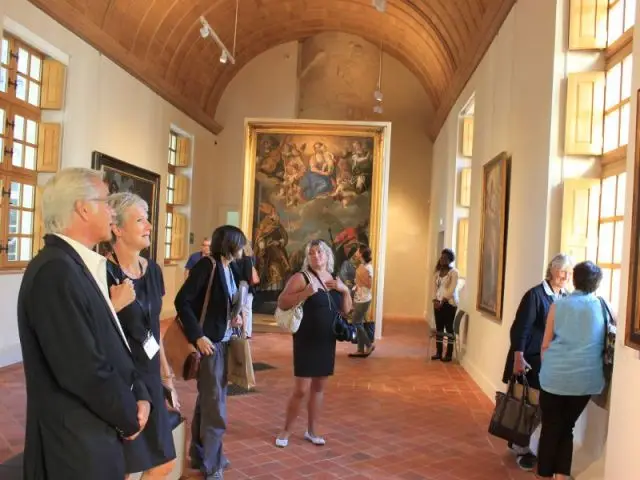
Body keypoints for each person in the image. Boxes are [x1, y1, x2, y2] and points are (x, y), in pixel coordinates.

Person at [17, 168, 151, 480]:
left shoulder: (75, 265)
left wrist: (139, 392)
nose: (111, 212)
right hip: (74, 448)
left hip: (93, 435)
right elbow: (83, 368)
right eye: (106, 203)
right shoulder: (55, 272)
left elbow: (109, 340)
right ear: (83, 207)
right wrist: (128, 413)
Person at [106, 192, 177, 477]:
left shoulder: (153, 271)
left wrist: (166, 375)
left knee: (163, 463)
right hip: (123, 378)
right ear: (118, 229)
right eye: (140, 220)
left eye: (147, 219)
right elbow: (94, 327)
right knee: (124, 466)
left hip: (149, 375)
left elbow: (153, 329)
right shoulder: (104, 272)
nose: (149, 226)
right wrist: (113, 305)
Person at [175, 225, 246, 480]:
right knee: (215, 406)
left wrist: (232, 319)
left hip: (223, 342)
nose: (243, 248)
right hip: (210, 345)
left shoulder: (229, 268)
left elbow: (220, 305)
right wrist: (198, 336)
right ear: (229, 244)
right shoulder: (208, 266)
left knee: (209, 401)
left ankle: (200, 454)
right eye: (240, 243)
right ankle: (213, 465)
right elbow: (182, 301)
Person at [275, 239, 353, 448]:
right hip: (306, 339)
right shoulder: (302, 278)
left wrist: (344, 289)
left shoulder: (334, 279)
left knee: (319, 388)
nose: (316, 256)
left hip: (326, 341)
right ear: (308, 257)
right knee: (301, 389)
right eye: (312, 253)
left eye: (320, 252)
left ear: (328, 256)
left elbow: (346, 310)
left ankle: (312, 431)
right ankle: (286, 431)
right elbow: (282, 301)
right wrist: (304, 294)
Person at [501, 253, 573, 471]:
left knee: (539, 405)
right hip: (530, 358)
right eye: (562, 271)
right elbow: (520, 328)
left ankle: (525, 443)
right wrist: (518, 356)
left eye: (569, 272)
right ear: (551, 271)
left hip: (550, 360)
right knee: (527, 403)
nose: (566, 276)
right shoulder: (535, 295)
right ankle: (522, 448)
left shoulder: (566, 297)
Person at [536, 261, 606, 480]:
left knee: (550, 427)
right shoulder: (603, 306)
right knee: (567, 427)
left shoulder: (559, 305)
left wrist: (546, 365)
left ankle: (544, 474)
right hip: (585, 382)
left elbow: (545, 344)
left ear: (574, 278)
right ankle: (561, 474)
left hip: (555, 377)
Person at [431, 248, 459, 362]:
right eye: (441, 257)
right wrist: (435, 300)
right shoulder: (438, 273)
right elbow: (434, 288)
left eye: (445, 258)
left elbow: (452, 289)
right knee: (439, 328)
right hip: (438, 304)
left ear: (450, 260)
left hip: (449, 304)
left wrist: (443, 300)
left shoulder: (454, 273)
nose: (442, 260)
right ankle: (438, 352)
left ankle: (448, 354)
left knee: (448, 328)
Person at [349, 245, 375, 357]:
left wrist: (360, 275)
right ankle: (360, 350)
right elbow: (359, 282)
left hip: (363, 299)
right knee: (358, 323)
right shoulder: (362, 266)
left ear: (362, 253)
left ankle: (368, 345)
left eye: (358, 251)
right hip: (359, 298)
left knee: (356, 322)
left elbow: (369, 285)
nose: (356, 252)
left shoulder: (367, 267)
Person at [231, 243, 258, 338]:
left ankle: (246, 332)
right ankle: (246, 332)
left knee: (245, 310)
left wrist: (234, 265)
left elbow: (246, 275)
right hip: (245, 288)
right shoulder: (248, 259)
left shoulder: (246, 259)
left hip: (246, 288)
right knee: (246, 310)